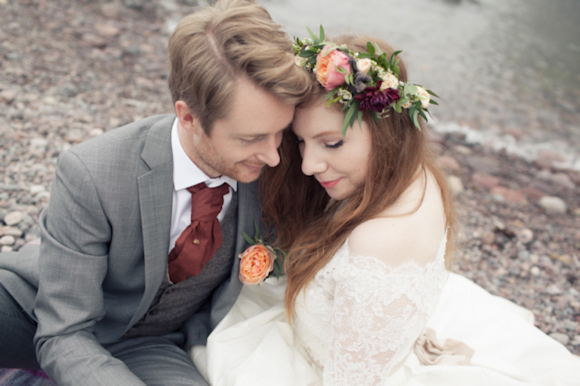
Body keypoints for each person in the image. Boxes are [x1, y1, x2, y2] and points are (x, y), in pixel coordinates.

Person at [189, 32, 580, 385]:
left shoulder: (379, 238)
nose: (309, 165)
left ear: (385, 129)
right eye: (303, 143)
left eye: (332, 143)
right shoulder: (415, 173)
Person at [0, 1, 312, 385]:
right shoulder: (91, 173)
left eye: (280, 132)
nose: (273, 155)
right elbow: (63, 331)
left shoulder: (284, 169)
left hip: (152, 344)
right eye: (251, 138)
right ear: (188, 117)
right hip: (34, 311)